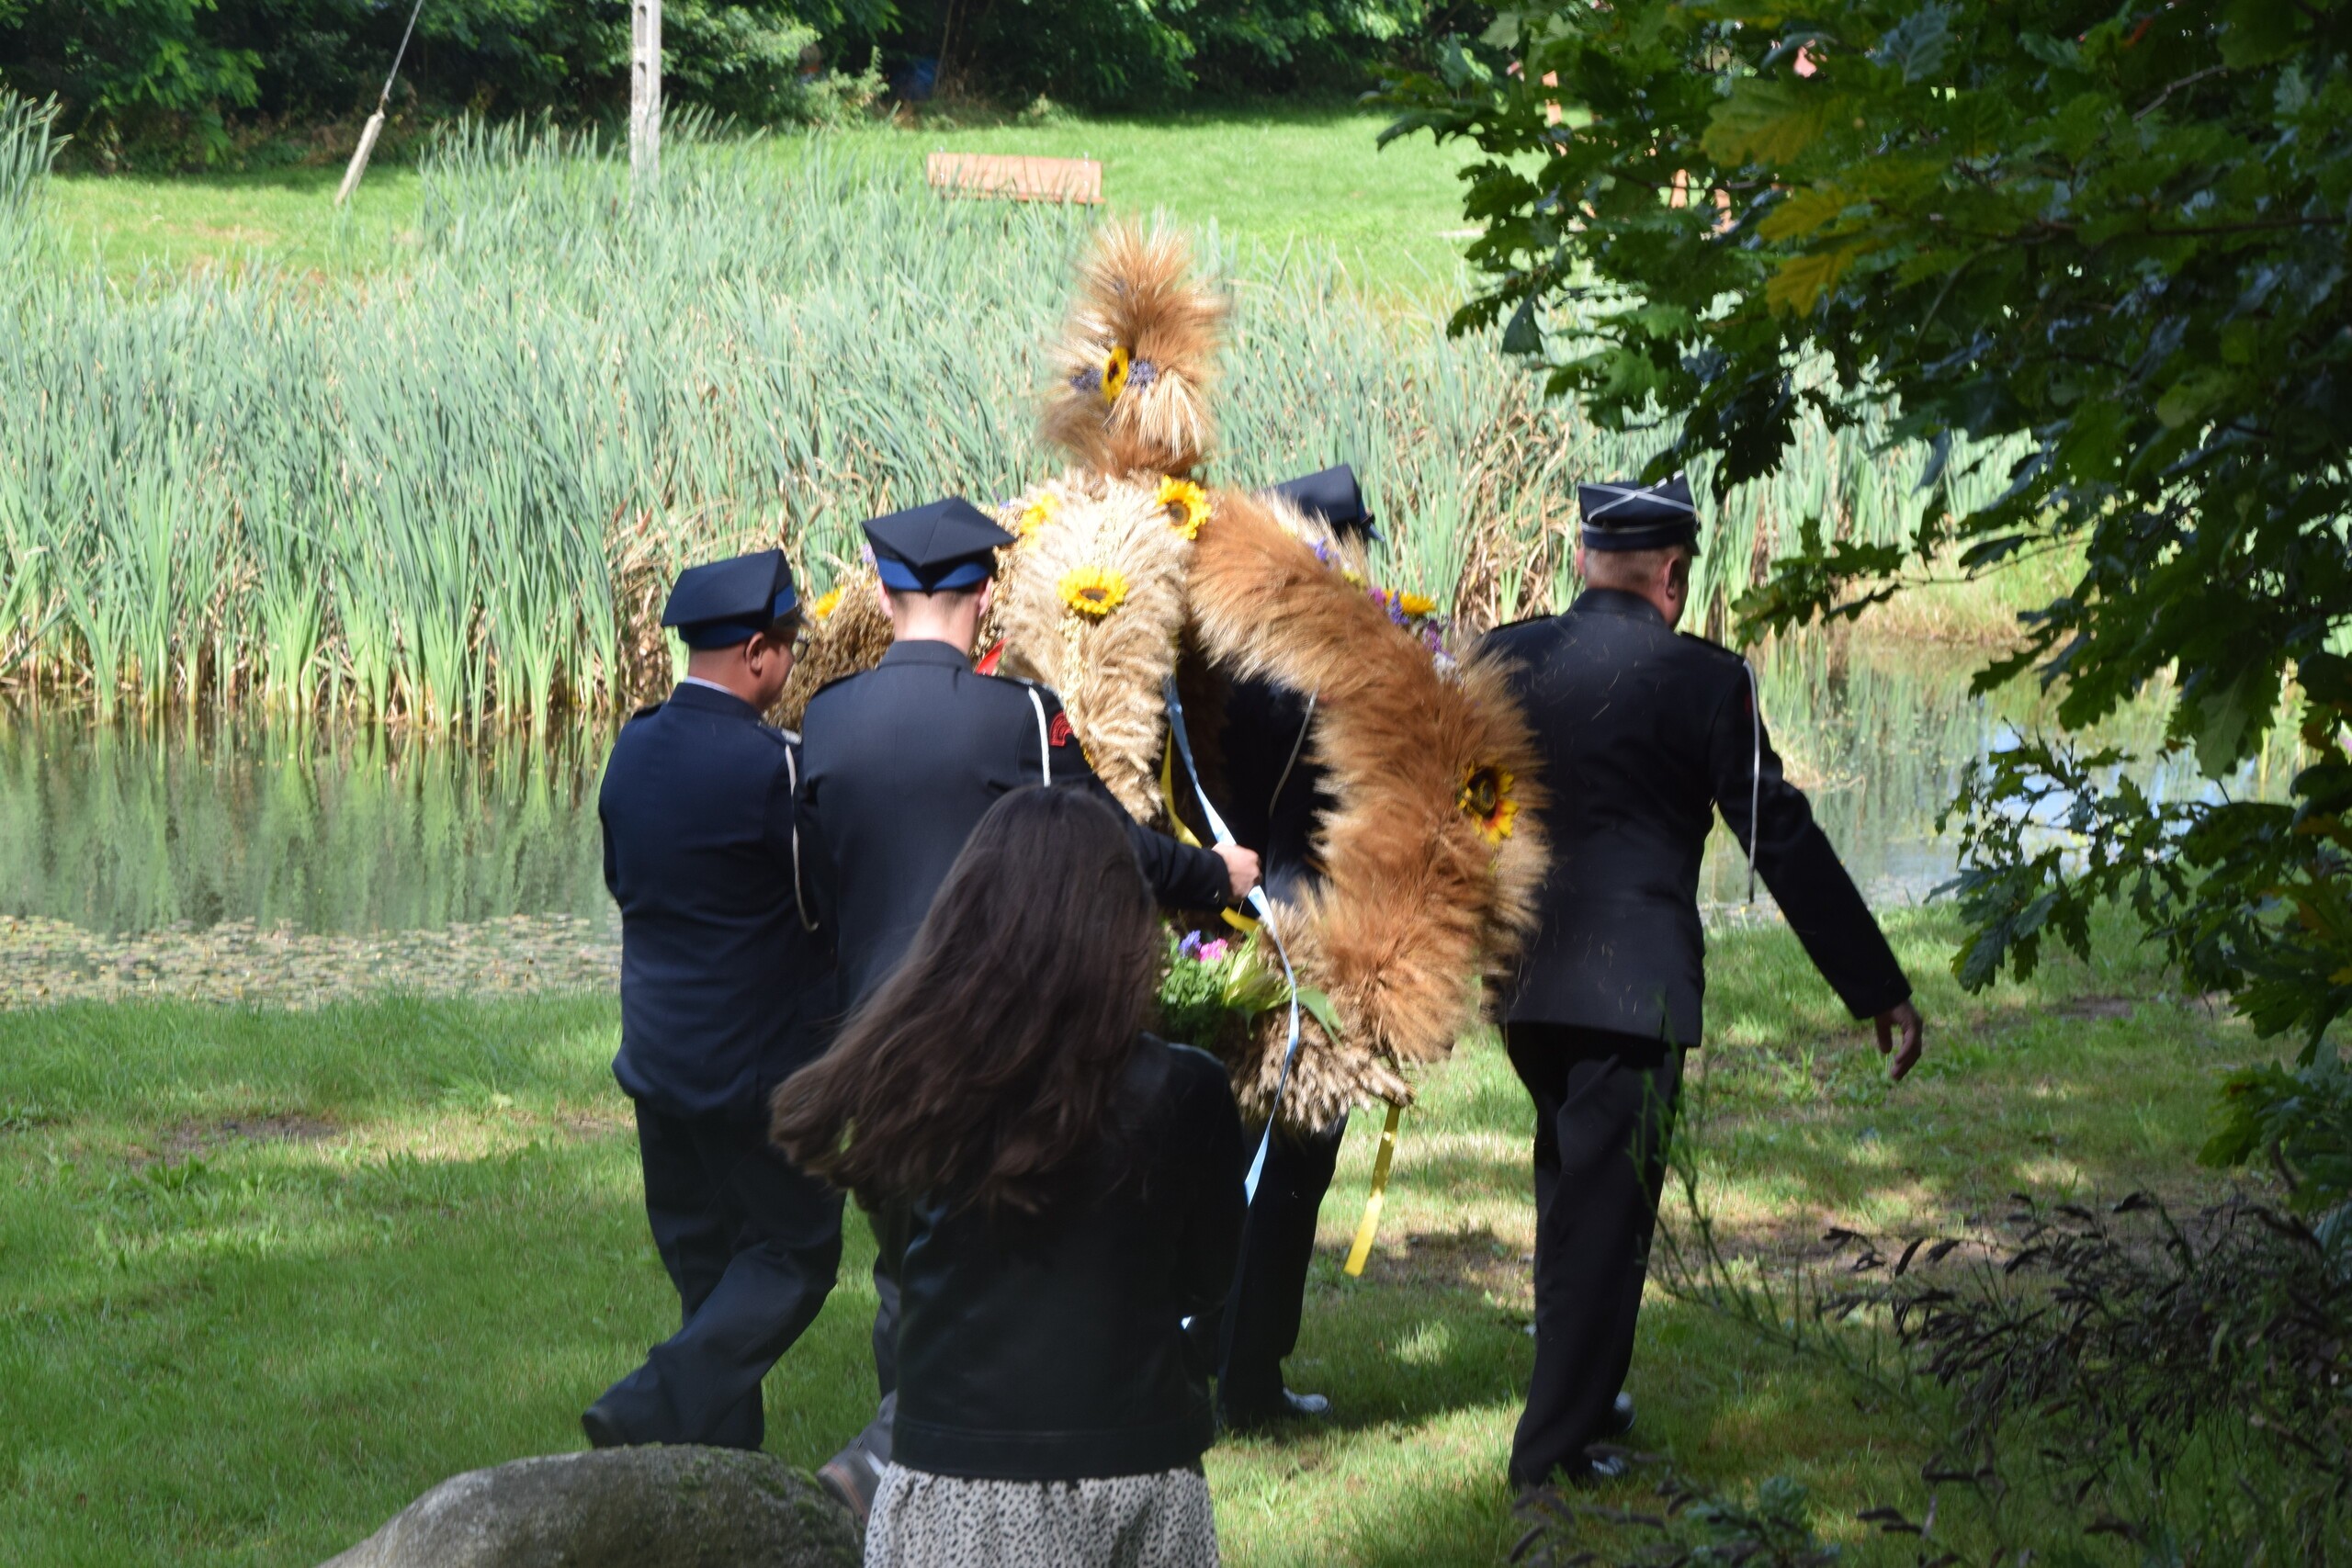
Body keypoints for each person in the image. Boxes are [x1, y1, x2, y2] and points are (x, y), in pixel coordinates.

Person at [796, 495, 1260, 1514]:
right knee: (985, 1257)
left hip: (870, 1035)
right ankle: (892, 1462)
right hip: (988, 1034)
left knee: (905, 1264)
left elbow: (815, 887)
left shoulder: (825, 719)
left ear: (884, 596)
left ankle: (912, 1472)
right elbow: (1104, 847)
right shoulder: (1019, 719)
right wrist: (1213, 874)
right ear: (984, 595)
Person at [1480, 475, 1926, 1494]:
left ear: (1583, 559)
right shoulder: (1706, 681)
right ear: (1673, 575)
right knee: (1604, 1220)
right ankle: (1548, 1456)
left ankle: (1586, 1398)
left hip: (1524, 979)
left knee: (1571, 1195)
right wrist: (1876, 985)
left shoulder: (1503, 658)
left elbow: (1461, 806)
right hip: (1632, 994)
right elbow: (1782, 841)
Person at [773, 786, 1246, 1568]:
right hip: (1138, 1462)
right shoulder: (1186, 1088)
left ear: (967, 914)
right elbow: (1206, 1278)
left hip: (954, 1478)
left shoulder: (914, 1078)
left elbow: (903, 1251)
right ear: (1123, 922)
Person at [582, 548, 843, 1451]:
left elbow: (624, 880)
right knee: (796, 1253)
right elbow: (821, 905)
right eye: (789, 648)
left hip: (655, 1059)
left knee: (709, 1273)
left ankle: (718, 1469)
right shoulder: (775, 766)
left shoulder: (631, 747)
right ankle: (646, 1408)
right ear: (759, 653)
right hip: (752, 1074)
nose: (792, 664)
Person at [1180, 462, 1374, 1430]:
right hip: (1304, 937)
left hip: (1208, 932)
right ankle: (1250, 1377)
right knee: (1292, 1165)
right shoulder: (1340, 668)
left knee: (1208, 1157)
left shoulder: (1212, 651)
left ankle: (1191, 1358)